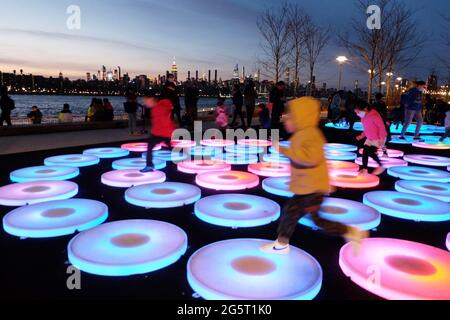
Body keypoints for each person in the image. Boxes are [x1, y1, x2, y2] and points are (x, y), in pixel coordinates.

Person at [260, 97, 368, 255]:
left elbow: (309, 158)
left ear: (300, 119)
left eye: (289, 118)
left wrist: (284, 150)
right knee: (316, 219)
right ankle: (350, 232)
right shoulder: (303, 134)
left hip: (311, 189)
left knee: (291, 212)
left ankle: (282, 244)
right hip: (309, 186)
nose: (285, 121)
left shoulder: (310, 135)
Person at [140, 90, 176, 173]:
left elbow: (165, 121)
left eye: (146, 101)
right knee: (167, 147)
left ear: (151, 99)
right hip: (159, 132)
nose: (145, 103)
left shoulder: (159, 108)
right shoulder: (156, 108)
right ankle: (149, 165)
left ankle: (149, 165)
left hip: (163, 133)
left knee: (166, 147)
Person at [355, 101, 388, 176]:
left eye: (358, 112)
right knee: (365, 151)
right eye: (356, 112)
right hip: (370, 138)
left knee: (370, 151)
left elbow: (381, 127)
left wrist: (381, 139)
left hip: (378, 138)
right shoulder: (363, 118)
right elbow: (366, 129)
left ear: (365, 109)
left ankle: (381, 165)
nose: (357, 114)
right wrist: (362, 136)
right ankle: (364, 169)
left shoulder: (374, 116)